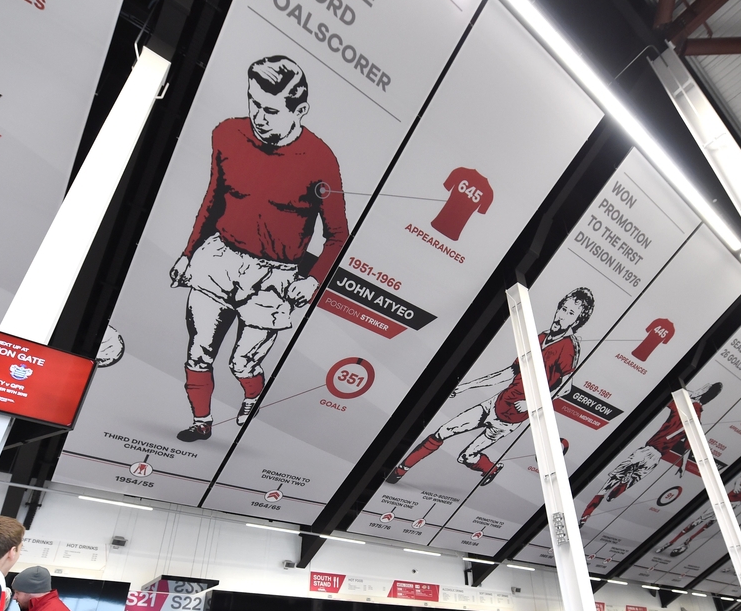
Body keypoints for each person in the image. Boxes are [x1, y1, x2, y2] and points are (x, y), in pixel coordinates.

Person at [170, 55, 348, 441]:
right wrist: (188, 253)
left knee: (242, 363)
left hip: (275, 276)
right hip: (219, 258)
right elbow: (213, 198)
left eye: (270, 109)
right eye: (253, 102)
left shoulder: (321, 160)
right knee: (198, 353)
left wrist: (312, 281)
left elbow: (337, 235)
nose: (258, 116)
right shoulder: (227, 134)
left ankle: (252, 394)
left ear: (299, 110)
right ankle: (202, 424)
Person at [388, 289, 594, 487]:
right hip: (495, 402)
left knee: (466, 457)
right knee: (443, 431)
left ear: (577, 321)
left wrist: (532, 402)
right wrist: (465, 386)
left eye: (570, 313)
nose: (562, 315)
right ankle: (400, 470)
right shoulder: (540, 338)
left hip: (509, 420)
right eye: (563, 308)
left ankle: (490, 468)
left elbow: (565, 388)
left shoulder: (568, 346)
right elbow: (510, 372)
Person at [579, 383, 723, 527]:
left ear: (703, 391)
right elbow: (687, 447)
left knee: (605, 487)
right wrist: (683, 466)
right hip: (655, 459)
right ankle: (619, 489)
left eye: (703, 387)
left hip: (645, 451)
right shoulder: (696, 420)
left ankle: (586, 516)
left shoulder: (683, 405)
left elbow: (670, 396)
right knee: (620, 488)